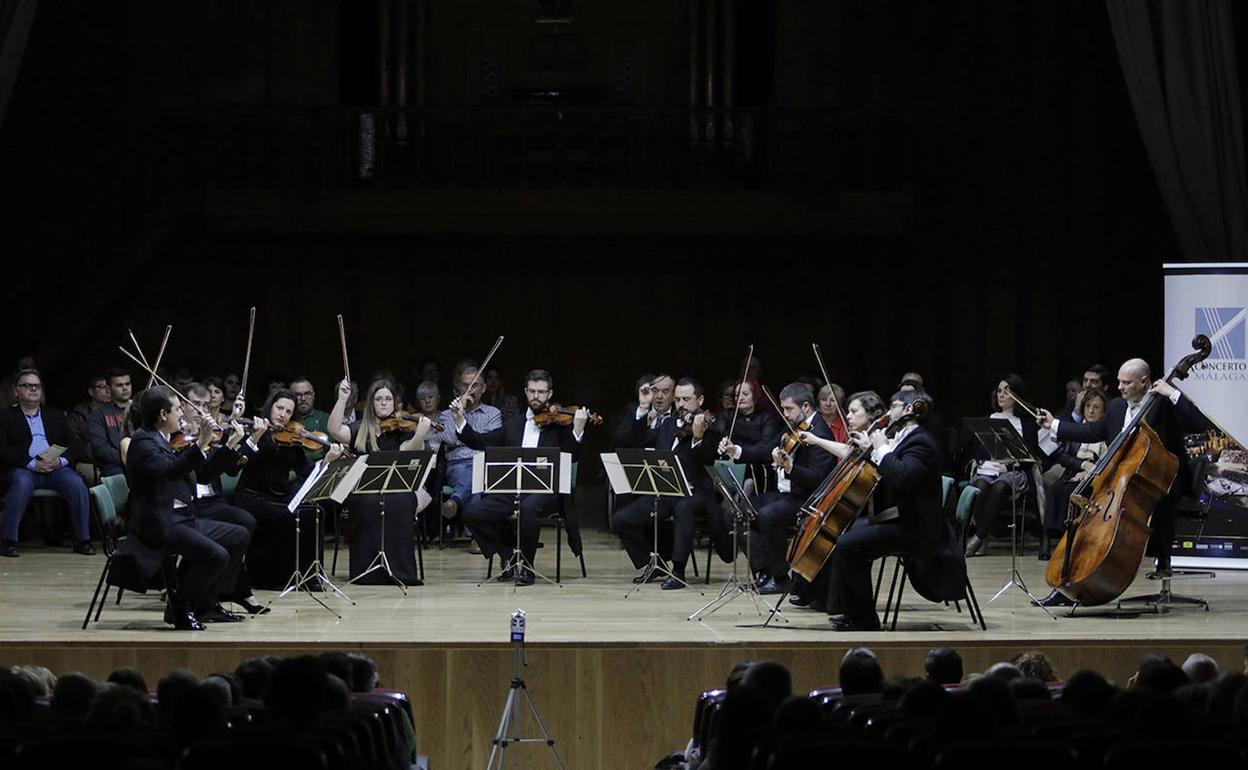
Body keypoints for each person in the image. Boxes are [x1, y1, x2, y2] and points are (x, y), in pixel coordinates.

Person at [1034, 357, 1203, 604]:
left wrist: (1172, 393)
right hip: (1121, 481)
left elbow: (1198, 423)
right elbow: (1092, 432)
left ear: (1144, 382)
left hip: (1161, 480)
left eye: (1127, 383)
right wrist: (1054, 424)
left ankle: (1162, 558)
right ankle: (1069, 583)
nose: (1120, 387)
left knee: (1160, 500)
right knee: (1081, 510)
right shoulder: (1116, 406)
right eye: (1119, 382)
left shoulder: (1163, 404)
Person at [825, 389, 967, 630]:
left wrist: (881, 449)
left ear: (909, 409)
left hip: (916, 527)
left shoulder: (921, 442)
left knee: (849, 545)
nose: (889, 413)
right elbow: (888, 472)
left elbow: (902, 478)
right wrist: (873, 449)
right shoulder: (905, 437)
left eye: (894, 406)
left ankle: (864, 620)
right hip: (899, 518)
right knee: (845, 532)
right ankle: (851, 610)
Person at [125, 386, 250, 630]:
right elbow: (169, 472)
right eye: (177, 409)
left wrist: (230, 445)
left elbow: (203, 475)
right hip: (158, 523)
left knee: (239, 535)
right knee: (216, 555)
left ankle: (207, 604)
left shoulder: (166, 438)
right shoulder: (143, 442)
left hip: (181, 517)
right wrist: (201, 442)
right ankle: (180, 609)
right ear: (163, 415)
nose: (182, 413)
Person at [455, 369, 587, 585]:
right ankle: (507, 555)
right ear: (526, 392)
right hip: (514, 489)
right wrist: (460, 420)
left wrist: (578, 430)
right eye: (532, 391)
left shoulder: (560, 426)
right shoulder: (513, 425)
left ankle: (527, 567)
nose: (536, 396)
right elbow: (481, 441)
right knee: (473, 512)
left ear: (550, 394)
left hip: (548, 491)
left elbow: (571, 457)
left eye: (541, 392)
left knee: (529, 508)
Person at [718, 382, 836, 594]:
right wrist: (736, 451)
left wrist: (790, 468)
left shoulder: (820, 433)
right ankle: (765, 572)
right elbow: (765, 451)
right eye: (783, 409)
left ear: (806, 407)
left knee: (768, 515)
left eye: (789, 409)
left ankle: (781, 578)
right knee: (734, 513)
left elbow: (818, 478)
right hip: (784, 495)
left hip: (807, 499)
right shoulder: (793, 427)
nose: (785, 414)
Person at [611, 377, 722, 588]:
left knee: (683, 508)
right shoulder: (669, 424)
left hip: (696, 493)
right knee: (621, 519)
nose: (681, 404)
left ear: (700, 400)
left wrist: (698, 438)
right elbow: (637, 440)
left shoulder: (711, 426)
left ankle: (678, 571)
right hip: (668, 490)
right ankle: (653, 563)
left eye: (686, 399)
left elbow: (708, 459)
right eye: (678, 399)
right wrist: (643, 409)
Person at [233, 388, 344, 590]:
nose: (282, 414)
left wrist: (326, 460)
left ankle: (308, 576)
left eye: (288, 411)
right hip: (252, 496)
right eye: (279, 408)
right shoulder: (255, 432)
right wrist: (256, 437)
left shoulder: (292, 439)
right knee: (287, 516)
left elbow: (304, 472)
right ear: (270, 407)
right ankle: (275, 578)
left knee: (315, 512)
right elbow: (239, 462)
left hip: (279, 497)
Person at [327, 378, 433, 586]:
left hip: (396, 488)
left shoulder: (403, 429)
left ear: (395, 402)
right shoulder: (359, 428)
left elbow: (406, 453)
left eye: (388, 399)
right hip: (363, 489)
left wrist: (419, 436)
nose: (383, 403)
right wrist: (341, 399)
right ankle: (366, 571)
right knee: (366, 502)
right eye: (378, 399)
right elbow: (334, 430)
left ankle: (400, 571)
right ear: (371, 403)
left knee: (402, 501)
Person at [789, 390, 887, 610]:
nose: (848, 416)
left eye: (853, 411)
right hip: (860, 505)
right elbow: (848, 452)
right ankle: (815, 593)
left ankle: (834, 600)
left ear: (870, 414)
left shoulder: (880, 439)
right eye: (848, 411)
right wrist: (816, 440)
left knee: (836, 536)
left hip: (875, 508)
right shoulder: (863, 436)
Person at [180, 382, 269, 614]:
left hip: (211, 501)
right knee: (235, 531)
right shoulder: (177, 435)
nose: (200, 411)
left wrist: (238, 434)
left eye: (204, 405)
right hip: (189, 504)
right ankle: (229, 592)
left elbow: (226, 469)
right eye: (195, 405)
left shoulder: (209, 431)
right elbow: (199, 472)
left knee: (246, 521)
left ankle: (224, 588)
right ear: (181, 405)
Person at [0, 369, 94, 557]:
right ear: (16, 391)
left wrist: (60, 461)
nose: (33, 389)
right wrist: (30, 463)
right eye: (27, 385)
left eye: (37, 386)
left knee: (77, 484)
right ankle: (8, 541)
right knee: (21, 484)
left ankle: (82, 540)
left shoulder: (55, 415)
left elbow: (74, 445)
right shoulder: (5, 416)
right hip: (24, 468)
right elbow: (2, 449)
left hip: (55, 468)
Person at [963, 375, 1050, 557]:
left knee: (1000, 486)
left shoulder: (1027, 423)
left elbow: (1031, 456)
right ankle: (983, 535)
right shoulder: (989, 419)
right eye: (999, 391)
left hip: (1015, 471)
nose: (1001, 395)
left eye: (1007, 391)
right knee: (980, 486)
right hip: (989, 470)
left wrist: (1008, 468)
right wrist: (984, 462)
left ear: (1017, 396)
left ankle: (978, 539)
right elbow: (978, 451)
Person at [1041, 388, 1108, 558]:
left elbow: (1109, 458)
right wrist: (1082, 465)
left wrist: (1090, 470)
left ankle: (1070, 537)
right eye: (1088, 406)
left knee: (1073, 491)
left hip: (1096, 476)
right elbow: (1063, 456)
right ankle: (1047, 537)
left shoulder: (1107, 432)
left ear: (1103, 412)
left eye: (1096, 407)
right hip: (1073, 471)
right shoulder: (1076, 429)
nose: (1091, 411)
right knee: (1055, 488)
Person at [434, 367, 502, 531]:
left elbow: (489, 443)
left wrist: (464, 439)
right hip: (457, 465)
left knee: (477, 473)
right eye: (465, 385)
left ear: (483, 388)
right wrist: (459, 415)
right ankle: (475, 536)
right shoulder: (446, 415)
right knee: (475, 481)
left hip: (484, 465)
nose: (469, 390)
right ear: (459, 388)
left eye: (474, 385)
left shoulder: (493, 413)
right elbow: (450, 439)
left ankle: (455, 500)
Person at [721, 379, 780, 495]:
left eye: (745, 394)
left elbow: (764, 448)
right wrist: (722, 445)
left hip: (754, 467)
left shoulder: (767, 418)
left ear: (755, 395)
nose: (740, 398)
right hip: (731, 466)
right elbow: (717, 438)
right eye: (737, 395)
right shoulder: (728, 415)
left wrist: (737, 450)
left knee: (750, 480)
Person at [88, 367, 133, 478]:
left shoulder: (140, 409)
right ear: (108, 389)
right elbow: (101, 449)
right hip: (114, 466)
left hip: (143, 460)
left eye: (127, 384)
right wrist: (127, 458)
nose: (125, 388)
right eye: (119, 385)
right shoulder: (98, 415)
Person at [67, 373, 112, 482]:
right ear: (91, 392)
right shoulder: (78, 415)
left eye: (108, 387)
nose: (107, 390)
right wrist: (100, 454)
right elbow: (75, 446)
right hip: (88, 461)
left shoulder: (116, 411)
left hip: (113, 459)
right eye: (101, 387)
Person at [289, 377, 330, 462]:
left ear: (313, 395)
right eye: (298, 395)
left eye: (307, 394)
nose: (303, 398)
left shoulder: (326, 418)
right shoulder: (284, 419)